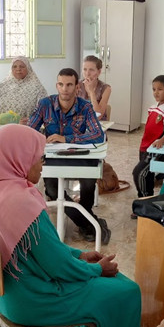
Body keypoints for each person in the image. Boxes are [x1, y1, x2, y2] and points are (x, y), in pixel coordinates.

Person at [0, 124, 141, 327]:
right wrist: (95, 269)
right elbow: (58, 267)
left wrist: (80, 256)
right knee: (127, 291)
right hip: (33, 301)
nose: (42, 165)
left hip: (6, 297)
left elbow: (41, 251)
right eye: (38, 158)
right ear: (18, 159)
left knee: (108, 285)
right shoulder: (19, 202)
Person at [28, 68, 110, 244]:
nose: (65, 89)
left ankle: (84, 219)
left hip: (79, 156)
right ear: (56, 85)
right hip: (52, 158)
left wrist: (66, 138)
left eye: (69, 85)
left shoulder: (85, 106)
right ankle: (88, 223)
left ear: (77, 87)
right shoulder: (45, 104)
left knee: (88, 182)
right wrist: (39, 137)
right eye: (61, 84)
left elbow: (98, 135)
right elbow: (29, 131)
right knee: (51, 189)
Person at [132, 75, 164, 199]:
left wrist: (161, 140)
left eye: (160, 89)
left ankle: (145, 199)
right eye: (154, 89)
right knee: (146, 175)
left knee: (139, 173)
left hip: (155, 149)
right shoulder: (152, 107)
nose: (156, 92)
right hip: (144, 146)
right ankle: (145, 198)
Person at [0, 56, 48, 125]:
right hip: (1, 127)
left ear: (28, 68)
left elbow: (45, 110)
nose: (18, 69)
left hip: (26, 127)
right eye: (14, 66)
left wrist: (30, 121)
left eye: (22, 66)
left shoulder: (37, 88)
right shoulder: (2, 86)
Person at [77, 55, 111, 119]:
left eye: (91, 70)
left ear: (99, 72)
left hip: (97, 124)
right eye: (84, 69)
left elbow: (98, 116)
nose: (87, 73)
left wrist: (91, 92)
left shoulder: (106, 88)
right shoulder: (77, 85)